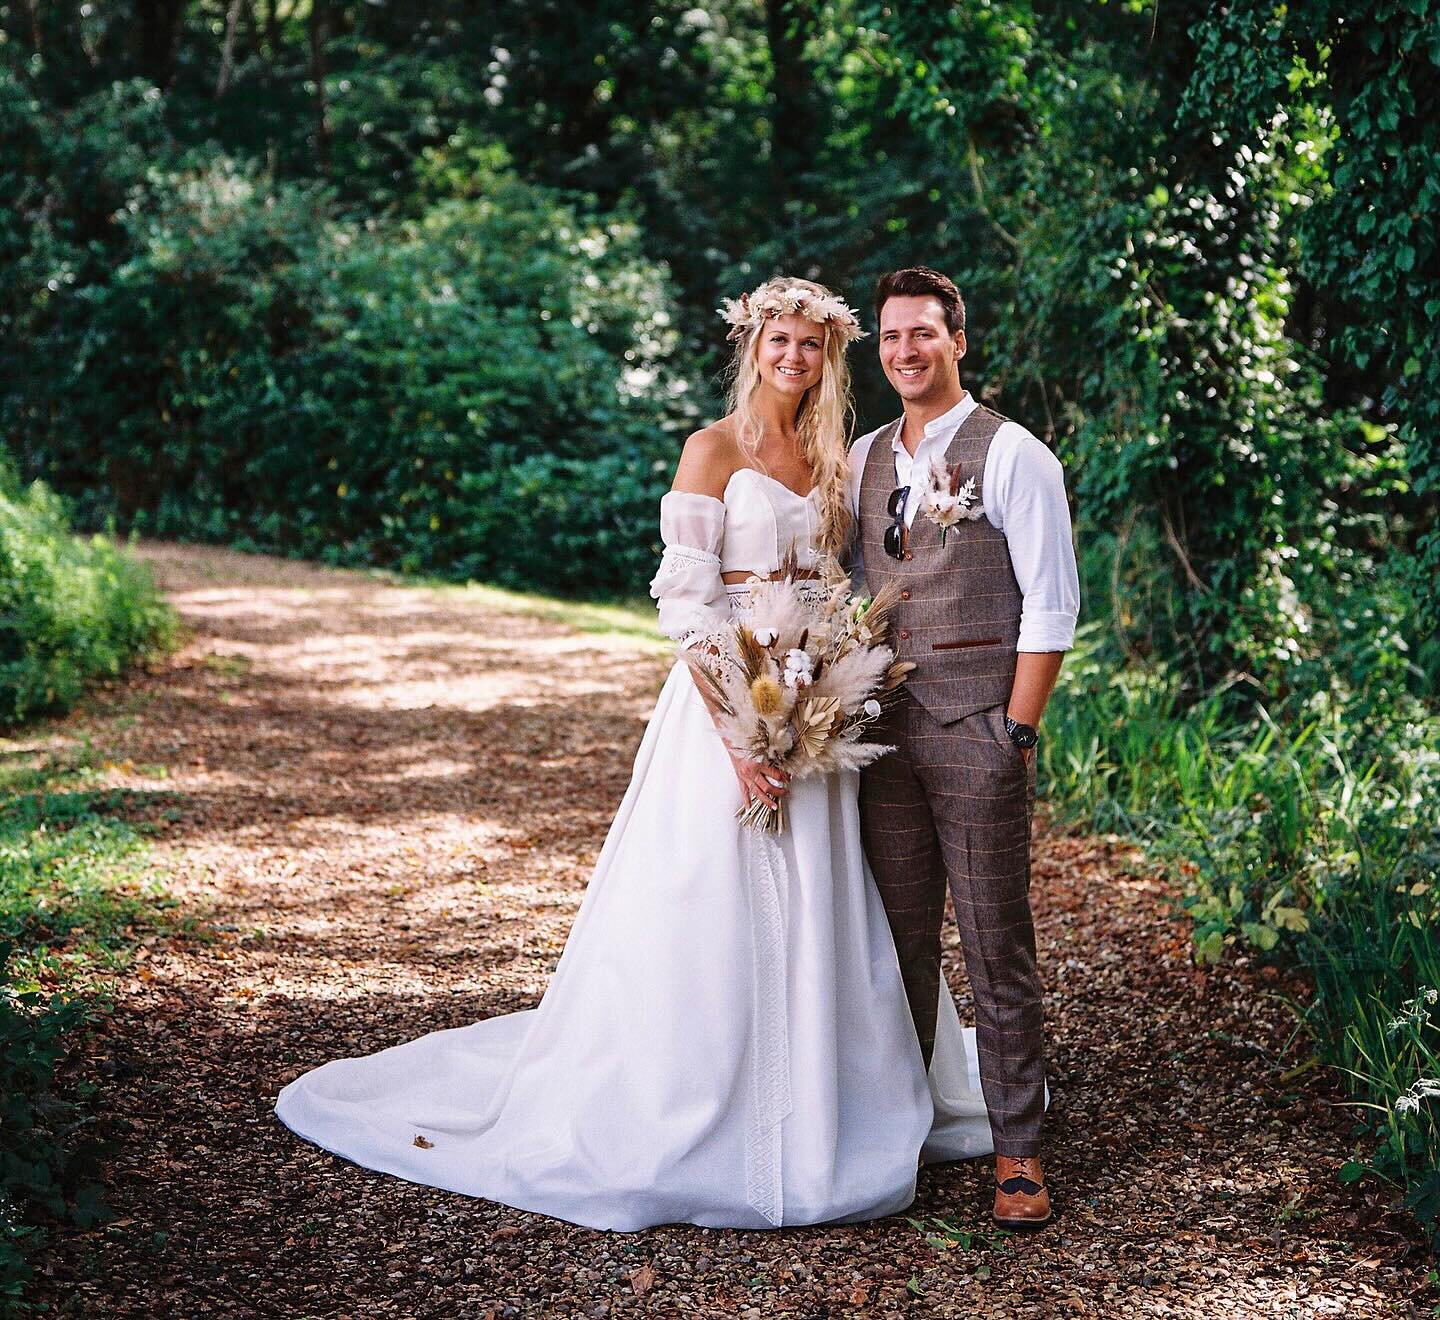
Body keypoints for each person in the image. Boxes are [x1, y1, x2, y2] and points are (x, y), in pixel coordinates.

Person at [275, 275, 992, 1230]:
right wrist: (740, 733)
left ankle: (827, 1101)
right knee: (708, 895)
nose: (794, 359)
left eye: (811, 347)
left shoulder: (839, 457)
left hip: (819, 697)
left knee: (829, 898)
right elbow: (687, 603)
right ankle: (697, 1104)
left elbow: (854, 578)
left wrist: (830, 688)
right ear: (754, 348)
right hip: (724, 697)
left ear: (829, 358)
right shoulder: (711, 451)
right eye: (779, 342)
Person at [849, 265, 1080, 1232]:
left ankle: (1017, 1150)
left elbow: (1053, 604)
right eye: (892, 336)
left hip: (978, 732)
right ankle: (893, 1132)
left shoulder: (1016, 453)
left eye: (924, 334)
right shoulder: (860, 455)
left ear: (958, 342)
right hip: (880, 743)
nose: (906, 351)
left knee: (996, 949)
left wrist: (1013, 734)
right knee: (891, 945)